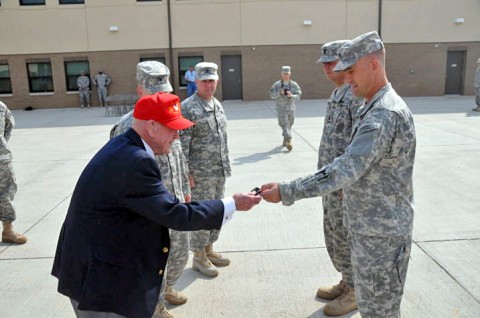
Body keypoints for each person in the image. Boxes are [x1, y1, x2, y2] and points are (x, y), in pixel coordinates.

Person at [51, 92, 261, 318]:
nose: (177, 135)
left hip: (96, 266)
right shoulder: (135, 160)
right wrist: (232, 204)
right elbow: (176, 215)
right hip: (101, 281)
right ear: (151, 126)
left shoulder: (124, 146)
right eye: (172, 128)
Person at [260, 31, 416, 318]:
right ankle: (349, 283)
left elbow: (346, 168)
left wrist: (287, 190)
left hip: (381, 235)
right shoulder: (372, 106)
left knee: (379, 311)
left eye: (351, 71)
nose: (346, 79)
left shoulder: (383, 115)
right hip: (368, 227)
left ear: (373, 65)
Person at [110, 61, 191, 318]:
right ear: (139, 90)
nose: (160, 97)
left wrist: (185, 187)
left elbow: (177, 155)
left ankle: (167, 287)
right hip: (148, 211)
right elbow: (117, 176)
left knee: (179, 255)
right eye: (153, 92)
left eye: (164, 91)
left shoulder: (170, 116)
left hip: (174, 204)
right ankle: (154, 308)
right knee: (152, 263)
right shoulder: (126, 127)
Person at [314, 39, 364, 316]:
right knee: (335, 233)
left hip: (344, 183)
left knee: (347, 234)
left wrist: (349, 182)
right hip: (331, 182)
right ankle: (347, 280)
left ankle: (357, 289)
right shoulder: (337, 94)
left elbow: (358, 143)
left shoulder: (355, 95)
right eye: (324, 63)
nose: (326, 68)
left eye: (331, 63)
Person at [180, 62, 231, 278]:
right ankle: (199, 257)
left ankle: (209, 249)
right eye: (204, 81)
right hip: (199, 175)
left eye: (212, 80)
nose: (209, 85)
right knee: (200, 215)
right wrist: (187, 174)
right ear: (196, 81)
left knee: (216, 212)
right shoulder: (188, 107)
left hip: (218, 171)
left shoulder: (216, 104)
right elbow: (181, 145)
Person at [0, 101, 28, 245]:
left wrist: (1, 146)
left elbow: (8, 126)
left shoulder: (1, 106)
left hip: (1, 159)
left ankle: (8, 230)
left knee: (6, 192)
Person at [269, 65, 302, 151]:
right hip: (281, 108)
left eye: (287, 73)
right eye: (284, 73)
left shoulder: (294, 84)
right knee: (284, 124)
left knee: (290, 124)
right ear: (281, 74)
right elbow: (272, 95)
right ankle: (289, 141)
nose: (285, 75)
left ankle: (285, 138)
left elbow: (299, 95)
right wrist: (279, 93)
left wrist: (292, 95)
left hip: (291, 108)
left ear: (290, 74)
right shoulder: (277, 85)